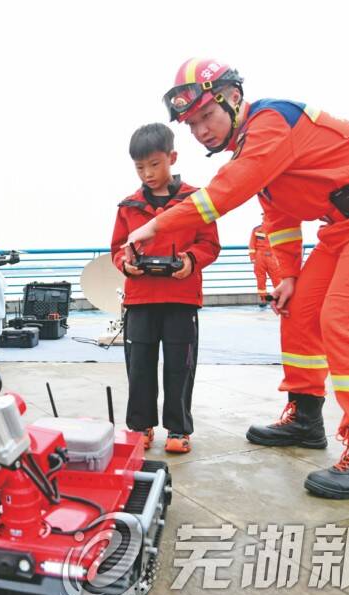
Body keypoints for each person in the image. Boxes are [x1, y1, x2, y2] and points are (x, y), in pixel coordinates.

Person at [126, 57, 349, 499]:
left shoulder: (272, 122)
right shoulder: (254, 151)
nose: (201, 131)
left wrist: (156, 225)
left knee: (345, 323)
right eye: (191, 124)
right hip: (345, 227)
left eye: (207, 116)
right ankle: (306, 418)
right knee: (300, 311)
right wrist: (288, 275)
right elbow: (281, 217)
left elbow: (225, 192)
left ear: (234, 98)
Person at [110, 123, 221, 455]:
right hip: (140, 299)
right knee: (139, 366)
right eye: (140, 167)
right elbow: (117, 248)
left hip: (181, 299)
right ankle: (140, 427)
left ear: (172, 158)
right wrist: (126, 263)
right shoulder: (128, 206)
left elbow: (210, 245)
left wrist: (190, 260)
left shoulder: (196, 200)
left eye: (154, 164)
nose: (147, 173)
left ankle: (178, 428)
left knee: (180, 366)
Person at [248, 223, 282, 308]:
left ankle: (279, 298)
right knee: (260, 279)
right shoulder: (256, 229)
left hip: (272, 256)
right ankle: (263, 299)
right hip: (260, 257)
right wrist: (253, 258)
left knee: (277, 278)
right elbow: (252, 244)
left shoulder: (276, 228)